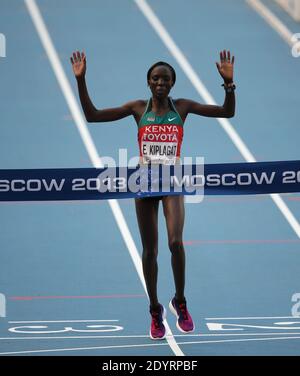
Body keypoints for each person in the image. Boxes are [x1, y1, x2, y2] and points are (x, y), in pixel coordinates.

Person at [70, 50, 235, 340]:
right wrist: (81, 80)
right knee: (150, 251)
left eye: (166, 79)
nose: (161, 83)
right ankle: (155, 310)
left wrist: (228, 84)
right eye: (156, 79)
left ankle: (180, 302)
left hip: (172, 182)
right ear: (148, 82)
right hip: (145, 182)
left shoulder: (182, 107)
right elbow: (92, 116)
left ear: (172, 84)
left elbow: (226, 112)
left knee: (175, 242)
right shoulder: (137, 109)